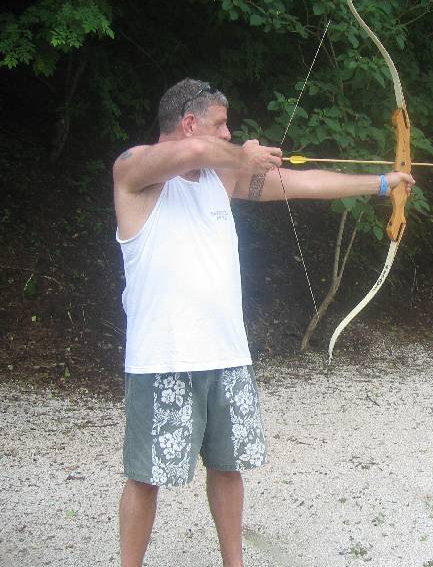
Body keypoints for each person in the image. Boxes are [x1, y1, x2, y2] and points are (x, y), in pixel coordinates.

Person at [113, 78, 414, 567]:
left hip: (227, 355)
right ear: (190, 125)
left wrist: (382, 183)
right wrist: (237, 156)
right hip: (162, 359)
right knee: (146, 476)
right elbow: (174, 158)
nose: (229, 133)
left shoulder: (220, 179)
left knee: (229, 469)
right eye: (220, 125)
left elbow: (304, 182)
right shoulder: (134, 171)